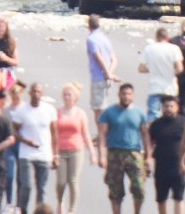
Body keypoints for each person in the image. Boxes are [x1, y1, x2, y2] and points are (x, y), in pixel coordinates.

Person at [98, 83, 150, 214]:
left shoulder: (139, 113)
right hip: (114, 153)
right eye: (124, 94)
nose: (126, 97)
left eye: (129, 94)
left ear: (132, 96)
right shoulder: (109, 112)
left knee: (139, 187)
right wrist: (101, 155)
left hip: (134, 153)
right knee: (115, 190)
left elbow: (145, 134)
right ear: (119, 95)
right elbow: (102, 134)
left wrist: (148, 157)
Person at [12, 82, 58, 214]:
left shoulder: (49, 109)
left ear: (41, 94)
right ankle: (23, 210)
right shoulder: (22, 110)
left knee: (42, 188)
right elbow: (14, 132)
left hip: (44, 154)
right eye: (33, 92)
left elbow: (54, 133)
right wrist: (26, 141)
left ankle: (40, 211)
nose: (36, 94)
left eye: (38, 92)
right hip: (26, 154)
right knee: (26, 185)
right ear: (29, 93)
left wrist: (55, 155)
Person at [55, 83, 96, 214]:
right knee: (61, 181)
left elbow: (86, 134)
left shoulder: (80, 113)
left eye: (69, 95)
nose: (67, 97)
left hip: (76, 149)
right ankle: (60, 202)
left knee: (73, 180)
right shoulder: (58, 112)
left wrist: (92, 152)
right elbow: (53, 133)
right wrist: (52, 152)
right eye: (65, 94)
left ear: (75, 98)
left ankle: (72, 210)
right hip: (60, 150)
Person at [149, 95, 185, 214]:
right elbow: (150, 143)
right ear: (162, 108)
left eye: (171, 106)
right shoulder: (156, 124)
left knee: (179, 198)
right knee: (161, 199)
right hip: (161, 167)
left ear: (177, 107)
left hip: (178, 167)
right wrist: (147, 159)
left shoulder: (184, 122)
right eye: (166, 106)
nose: (169, 108)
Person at [139, 27, 184, 121]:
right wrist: (171, 73)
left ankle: (152, 134)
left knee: (152, 115)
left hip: (155, 87)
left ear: (156, 37)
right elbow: (180, 68)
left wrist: (152, 68)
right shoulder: (174, 48)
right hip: (170, 88)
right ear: (167, 37)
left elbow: (141, 68)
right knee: (171, 114)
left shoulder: (149, 49)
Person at [87, 14, 120, 124]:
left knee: (98, 109)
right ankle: (103, 133)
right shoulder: (105, 39)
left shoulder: (91, 39)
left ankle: (102, 134)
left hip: (98, 77)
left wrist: (106, 73)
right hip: (107, 77)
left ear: (89, 26)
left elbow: (98, 58)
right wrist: (110, 74)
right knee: (103, 105)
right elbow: (114, 59)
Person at [5, 81, 27, 212]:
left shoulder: (25, 108)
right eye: (13, 97)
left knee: (21, 177)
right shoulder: (7, 109)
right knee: (9, 174)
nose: (15, 100)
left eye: (17, 97)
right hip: (10, 143)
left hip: (22, 144)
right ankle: (8, 202)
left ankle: (18, 204)